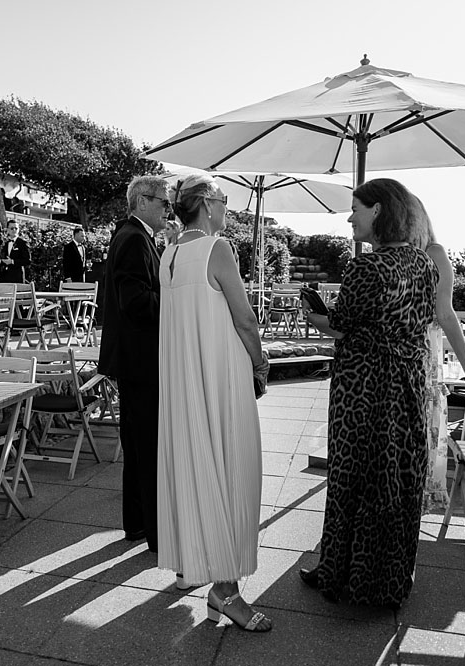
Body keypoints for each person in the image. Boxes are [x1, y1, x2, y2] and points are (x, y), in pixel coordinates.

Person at [301, 178, 439, 610]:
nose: (349, 217)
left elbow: (342, 324)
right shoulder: (424, 264)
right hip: (409, 385)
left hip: (363, 387)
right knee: (396, 480)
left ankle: (341, 575)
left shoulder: (365, 268)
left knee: (350, 479)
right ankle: (389, 582)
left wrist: (315, 318)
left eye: (356, 208)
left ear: (377, 211)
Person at [157, 174, 272, 632]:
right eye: (224, 199)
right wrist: (261, 363)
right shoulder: (216, 248)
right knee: (233, 471)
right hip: (221, 379)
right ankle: (226, 591)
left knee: (203, 467)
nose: (227, 207)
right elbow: (244, 319)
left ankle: (212, 579)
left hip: (186, 383)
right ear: (206, 204)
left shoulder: (168, 253)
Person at [97, 175, 170, 553]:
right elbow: (136, 302)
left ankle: (138, 525)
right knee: (145, 445)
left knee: (138, 444)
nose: (167, 209)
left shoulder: (132, 235)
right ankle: (153, 531)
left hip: (133, 358)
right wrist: (176, 299)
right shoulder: (133, 238)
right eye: (162, 202)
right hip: (139, 359)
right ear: (142, 201)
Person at [406, 196, 465, 510]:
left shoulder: (433, 253)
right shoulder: (389, 255)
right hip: (398, 353)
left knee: (422, 422)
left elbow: (447, 315)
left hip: (423, 352)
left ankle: (413, 503)